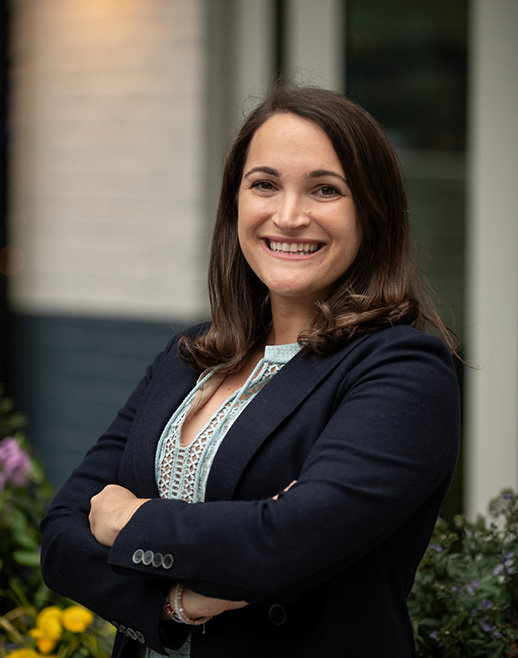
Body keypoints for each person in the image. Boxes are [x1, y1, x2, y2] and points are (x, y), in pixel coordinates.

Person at [40, 85, 460, 658]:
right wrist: (175, 605)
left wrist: (128, 518)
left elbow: (284, 545)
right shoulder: (193, 353)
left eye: (325, 189)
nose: (288, 216)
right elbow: (62, 534)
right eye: (264, 184)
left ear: (372, 211)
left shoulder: (403, 371)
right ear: (236, 202)